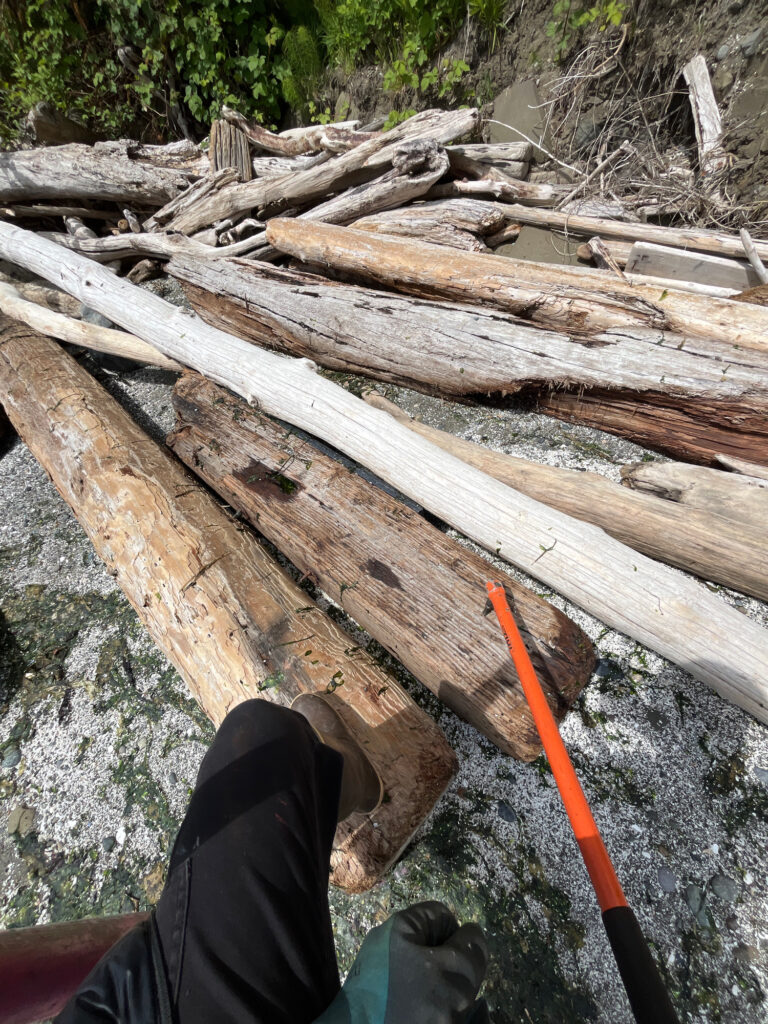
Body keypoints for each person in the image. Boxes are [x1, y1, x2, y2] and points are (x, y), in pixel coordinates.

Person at [56, 696, 490, 1023]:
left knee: (260, 742)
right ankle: (338, 785)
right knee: (263, 740)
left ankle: (353, 781)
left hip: (137, 1001)